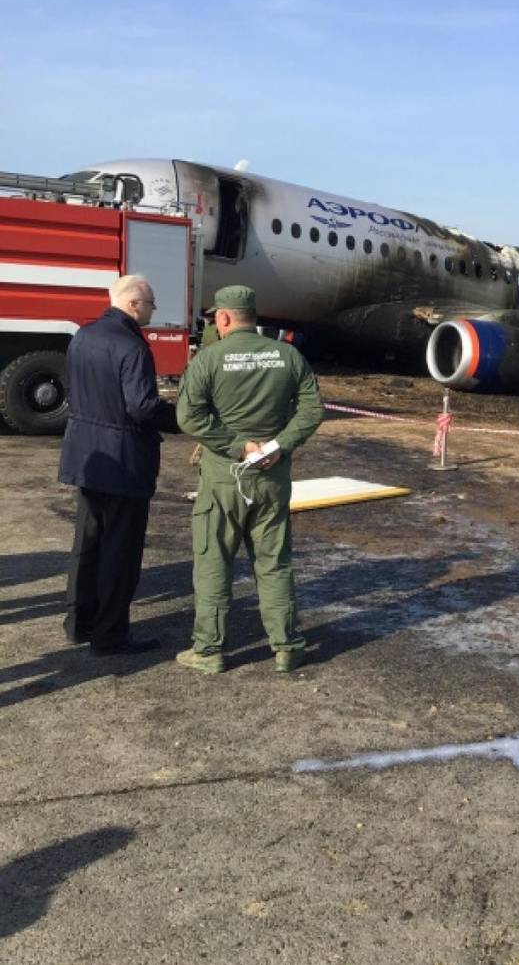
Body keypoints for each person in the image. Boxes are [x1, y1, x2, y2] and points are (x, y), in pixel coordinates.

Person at [175, 285, 324, 675]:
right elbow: (312, 410)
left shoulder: (209, 360)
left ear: (224, 318)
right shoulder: (288, 356)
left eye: (215, 319)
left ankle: (208, 651)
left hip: (224, 481)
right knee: (274, 564)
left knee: (214, 563)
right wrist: (280, 444)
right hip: (272, 478)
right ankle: (288, 646)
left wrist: (238, 446)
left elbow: (189, 417)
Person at [59, 274, 179, 655]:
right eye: (151, 304)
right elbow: (141, 406)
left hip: (86, 456)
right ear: (132, 304)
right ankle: (110, 634)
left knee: (87, 542)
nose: (153, 310)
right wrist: (182, 418)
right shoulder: (133, 346)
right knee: (120, 551)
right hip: (124, 461)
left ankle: (79, 623)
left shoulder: (83, 337)